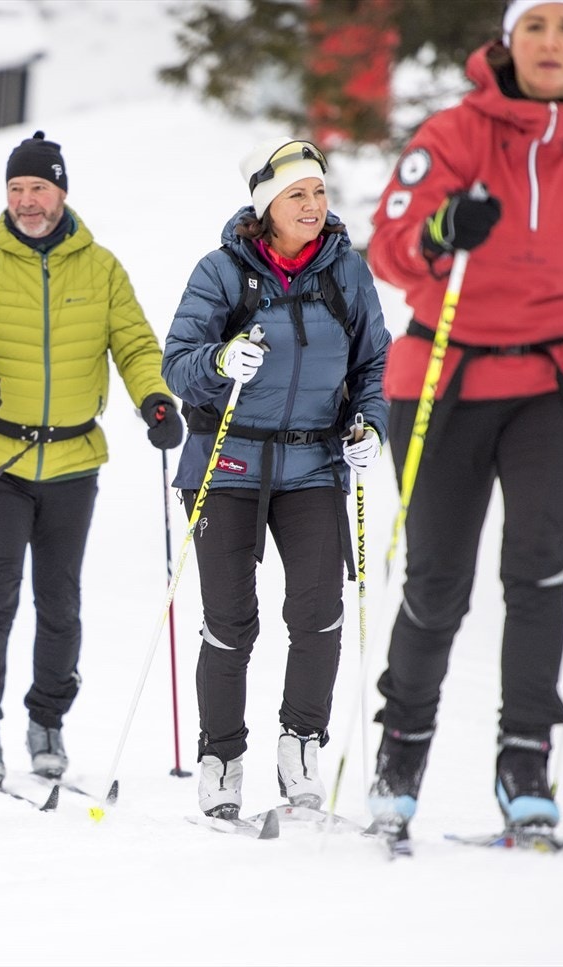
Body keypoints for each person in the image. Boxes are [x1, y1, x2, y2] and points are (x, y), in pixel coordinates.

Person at [364, 0, 563, 836]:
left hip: (552, 386)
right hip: (444, 379)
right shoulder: (457, 134)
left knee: (537, 573)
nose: (549, 43)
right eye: (533, 26)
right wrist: (440, 229)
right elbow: (385, 246)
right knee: (437, 580)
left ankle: (524, 760)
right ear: (507, 41)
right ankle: (401, 751)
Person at [0, 131, 183, 785]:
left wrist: (154, 400)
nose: (26, 201)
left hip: (72, 462)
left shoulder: (102, 269)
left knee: (60, 601)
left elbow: (135, 345)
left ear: (61, 191)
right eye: (15, 189)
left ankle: (47, 722)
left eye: (38, 188)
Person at [162, 138, 392, 819]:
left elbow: (375, 363)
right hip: (227, 462)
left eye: (320, 192)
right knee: (231, 621)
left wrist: (370, 427)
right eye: (298, 195)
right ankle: (222, 757)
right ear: (267, 206)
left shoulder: (347, 272)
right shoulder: (223, 272)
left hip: (315, 464)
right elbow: (179, 360)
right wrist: (220, 358)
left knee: (319, 614)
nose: (314, 206)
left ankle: (300, 746)